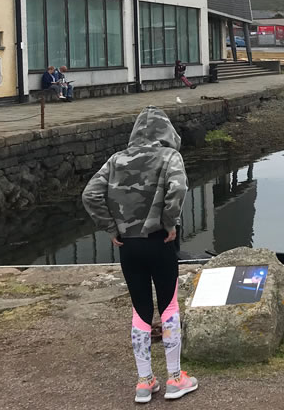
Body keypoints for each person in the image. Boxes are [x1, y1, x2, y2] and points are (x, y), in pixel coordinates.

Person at [81, 106, 199, 402]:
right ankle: (175, 379)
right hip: (160, 241)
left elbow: (90, 195)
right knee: (169, 306)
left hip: (128, 246)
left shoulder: (116, 160)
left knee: (140, 310)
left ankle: (145, 382)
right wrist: (169, 222)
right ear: (165, 132)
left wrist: (111, 227)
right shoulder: (170, 157)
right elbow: (179, 187)